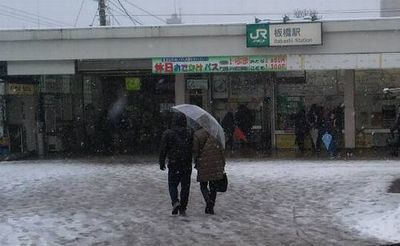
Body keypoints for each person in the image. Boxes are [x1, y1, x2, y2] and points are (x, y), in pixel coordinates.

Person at [159, 112, 193, 216]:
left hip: (174, 162)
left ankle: (175, 202)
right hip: (186, 163)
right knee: (185, 186)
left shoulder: (168, 133)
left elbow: (163, 149)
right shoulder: (189, 133)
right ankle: (183, 207)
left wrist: (162, 161)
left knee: (172, 184)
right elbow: (192, 147)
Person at [193, 124, 226, 215]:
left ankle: (208, 202)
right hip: (215, 162)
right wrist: (222, 163)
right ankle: (210, 206)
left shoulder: (197, 135)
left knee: (203, 185)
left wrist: (196, 161)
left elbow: (196, 151)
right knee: (213, 186)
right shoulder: (216, 134)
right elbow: (221, 150)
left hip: (203, 162)